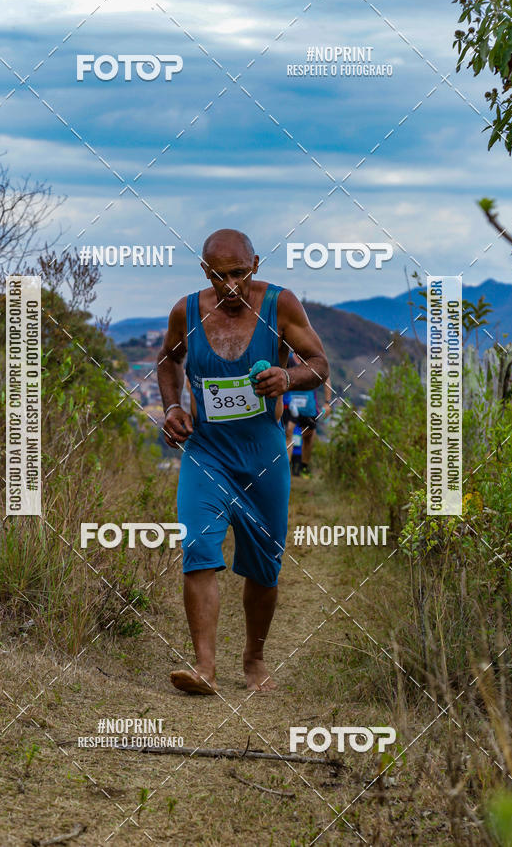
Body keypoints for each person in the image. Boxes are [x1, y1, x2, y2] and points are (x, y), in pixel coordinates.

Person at [157, 228, 329, 694]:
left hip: (263, 459)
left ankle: (254, 660)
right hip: (206, 454)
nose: (230, 286)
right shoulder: (186, 312)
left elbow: (319, 364)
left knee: (263, 566)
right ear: (204, 272)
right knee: (198, 550)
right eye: (219, 276)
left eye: (238, 273)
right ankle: (204, 669)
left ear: (255, 265)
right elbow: (168, 361)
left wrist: (286, 377)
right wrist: (173, 407)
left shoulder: (281, 305)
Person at [282, 353, 332, 477]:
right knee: (289, 433)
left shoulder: (313, 361)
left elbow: (326, 379)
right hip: (289, 404)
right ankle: (286, 471)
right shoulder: (287, 360)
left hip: (309, 406)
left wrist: (327, 403)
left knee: (308, 438)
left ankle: (304, 468)